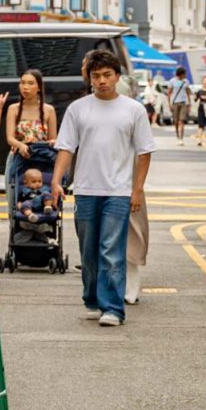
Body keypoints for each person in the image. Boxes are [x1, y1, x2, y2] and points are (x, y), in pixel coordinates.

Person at [52, 50, 155, 327]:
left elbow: (145, 152)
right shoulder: (78, 109)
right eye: (96, 76)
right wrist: (56, 180)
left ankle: (113, 308)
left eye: (107, 75)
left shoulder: (133, 110)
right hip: (85, 189)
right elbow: (66, 148)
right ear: (89, 79)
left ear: (117, 76)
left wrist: (138, 189)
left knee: (111, 249)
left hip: (118, 191)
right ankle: (92, 299)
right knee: (88, 250)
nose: (102, 81)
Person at [6, 69, 57, 159]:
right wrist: (21, 145)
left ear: (39, 87)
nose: (25, 87)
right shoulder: (13, 109)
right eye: (22, 83)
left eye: (30, 83)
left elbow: (53, 138)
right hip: (18, 157)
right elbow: (10, 138)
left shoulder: (49, 110)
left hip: (41, 157)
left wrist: (52, 142)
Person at [167, 66, 191, 146]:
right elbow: (169, 93)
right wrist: (169, 104)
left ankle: (181, 138)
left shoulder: (186, 81)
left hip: (183, 103)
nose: (185, 75)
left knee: (182, 121)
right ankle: (177, 136)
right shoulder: (172, 81)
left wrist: (189, 103)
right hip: (175, 103)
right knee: (176, 121)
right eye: (184, 74)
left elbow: (188, 92)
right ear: (180, 74)